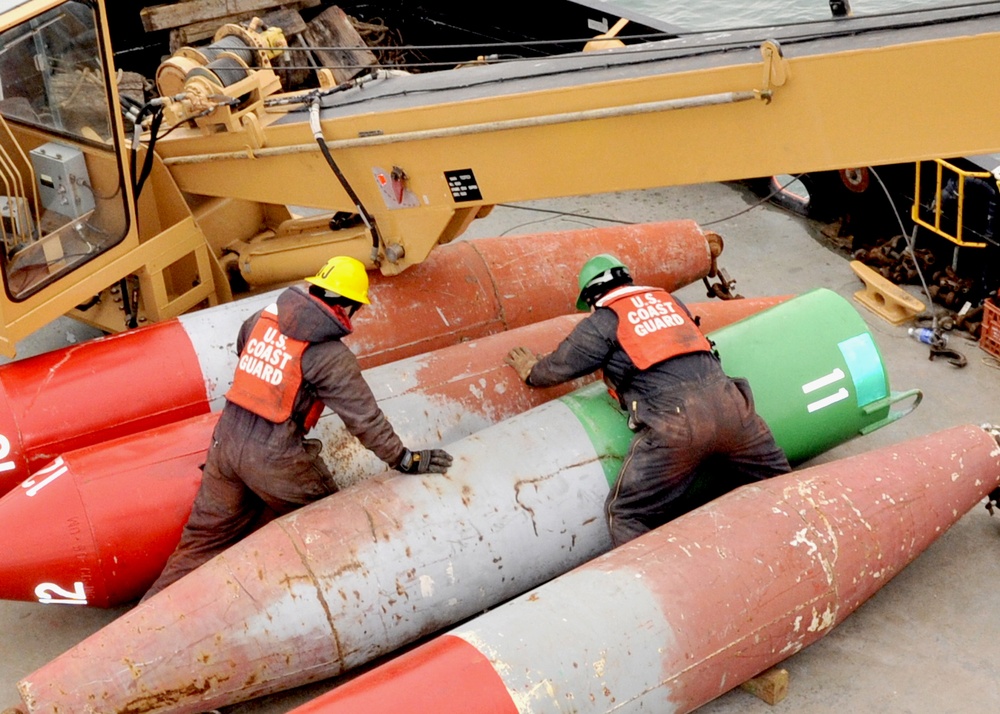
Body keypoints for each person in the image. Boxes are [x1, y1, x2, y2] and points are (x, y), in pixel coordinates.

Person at [143, 256, 453, 601]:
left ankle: (147, 613)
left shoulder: (261, 318)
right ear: (346, 307)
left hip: (224, 444)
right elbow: (364, 419)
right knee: (331, 525)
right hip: (276, 458)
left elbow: (245, 350)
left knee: (203, 540)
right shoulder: (330, 357)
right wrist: (404, 459)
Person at [504, 253, 789, 547]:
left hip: (676, 427)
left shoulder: (603, 322)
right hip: (735, 410)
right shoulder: (670, 302)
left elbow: (560, 366)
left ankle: (663, 572)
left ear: (591, 297)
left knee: (626, 514)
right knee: (782, 485)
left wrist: (531, 371)